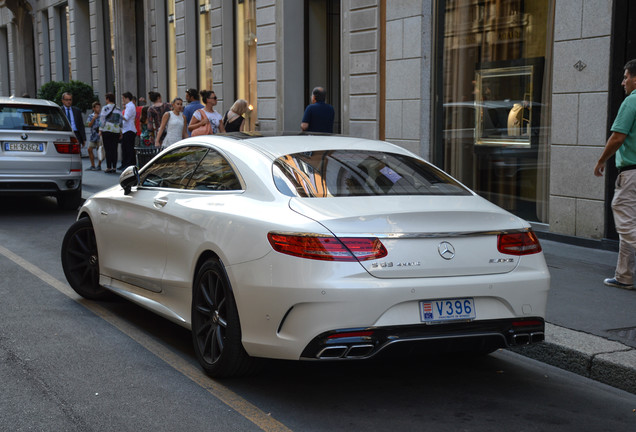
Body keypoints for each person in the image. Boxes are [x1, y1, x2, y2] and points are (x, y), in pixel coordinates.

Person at [594, 59, 636, 291]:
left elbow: (618, 137)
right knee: (632, 220)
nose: (623, 82)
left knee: (625, 221)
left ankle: (624, 275)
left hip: (632, 172)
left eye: (626, 76)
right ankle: (624, 276)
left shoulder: (632, 101)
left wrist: (601, 161)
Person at [99, 93, 123, 174]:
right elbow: (120, 120)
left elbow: (102, 119)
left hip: (107, 130)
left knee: (107, 149)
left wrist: (100, 129)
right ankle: (114, 167)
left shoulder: (105, 108)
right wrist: (120, 131)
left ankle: (109, 167)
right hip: (116, 130)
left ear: (108, 99)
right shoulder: (118, 109)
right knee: (114, 149)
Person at [121, 92, 137, 170]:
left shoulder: (130, 106)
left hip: (129, 129)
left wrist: (119, 115)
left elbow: (126, 117)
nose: (122, 100)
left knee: (128, 148)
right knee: (125, 148)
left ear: (127, 98)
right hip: (126, 129)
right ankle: (126, 163)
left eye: (123, 98)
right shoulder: (129, 106)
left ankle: (129, 164)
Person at [85, 101, 103, 170]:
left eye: (99, 107)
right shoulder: (91, 116)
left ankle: (99, 165)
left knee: (100, 150)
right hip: (93, 135)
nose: (99, 109)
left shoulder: (102, 116)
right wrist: (93, 118)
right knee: (89, 149)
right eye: (97, 107)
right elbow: (88, 125)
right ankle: (92, 165)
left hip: (99, 135)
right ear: (94, 108)